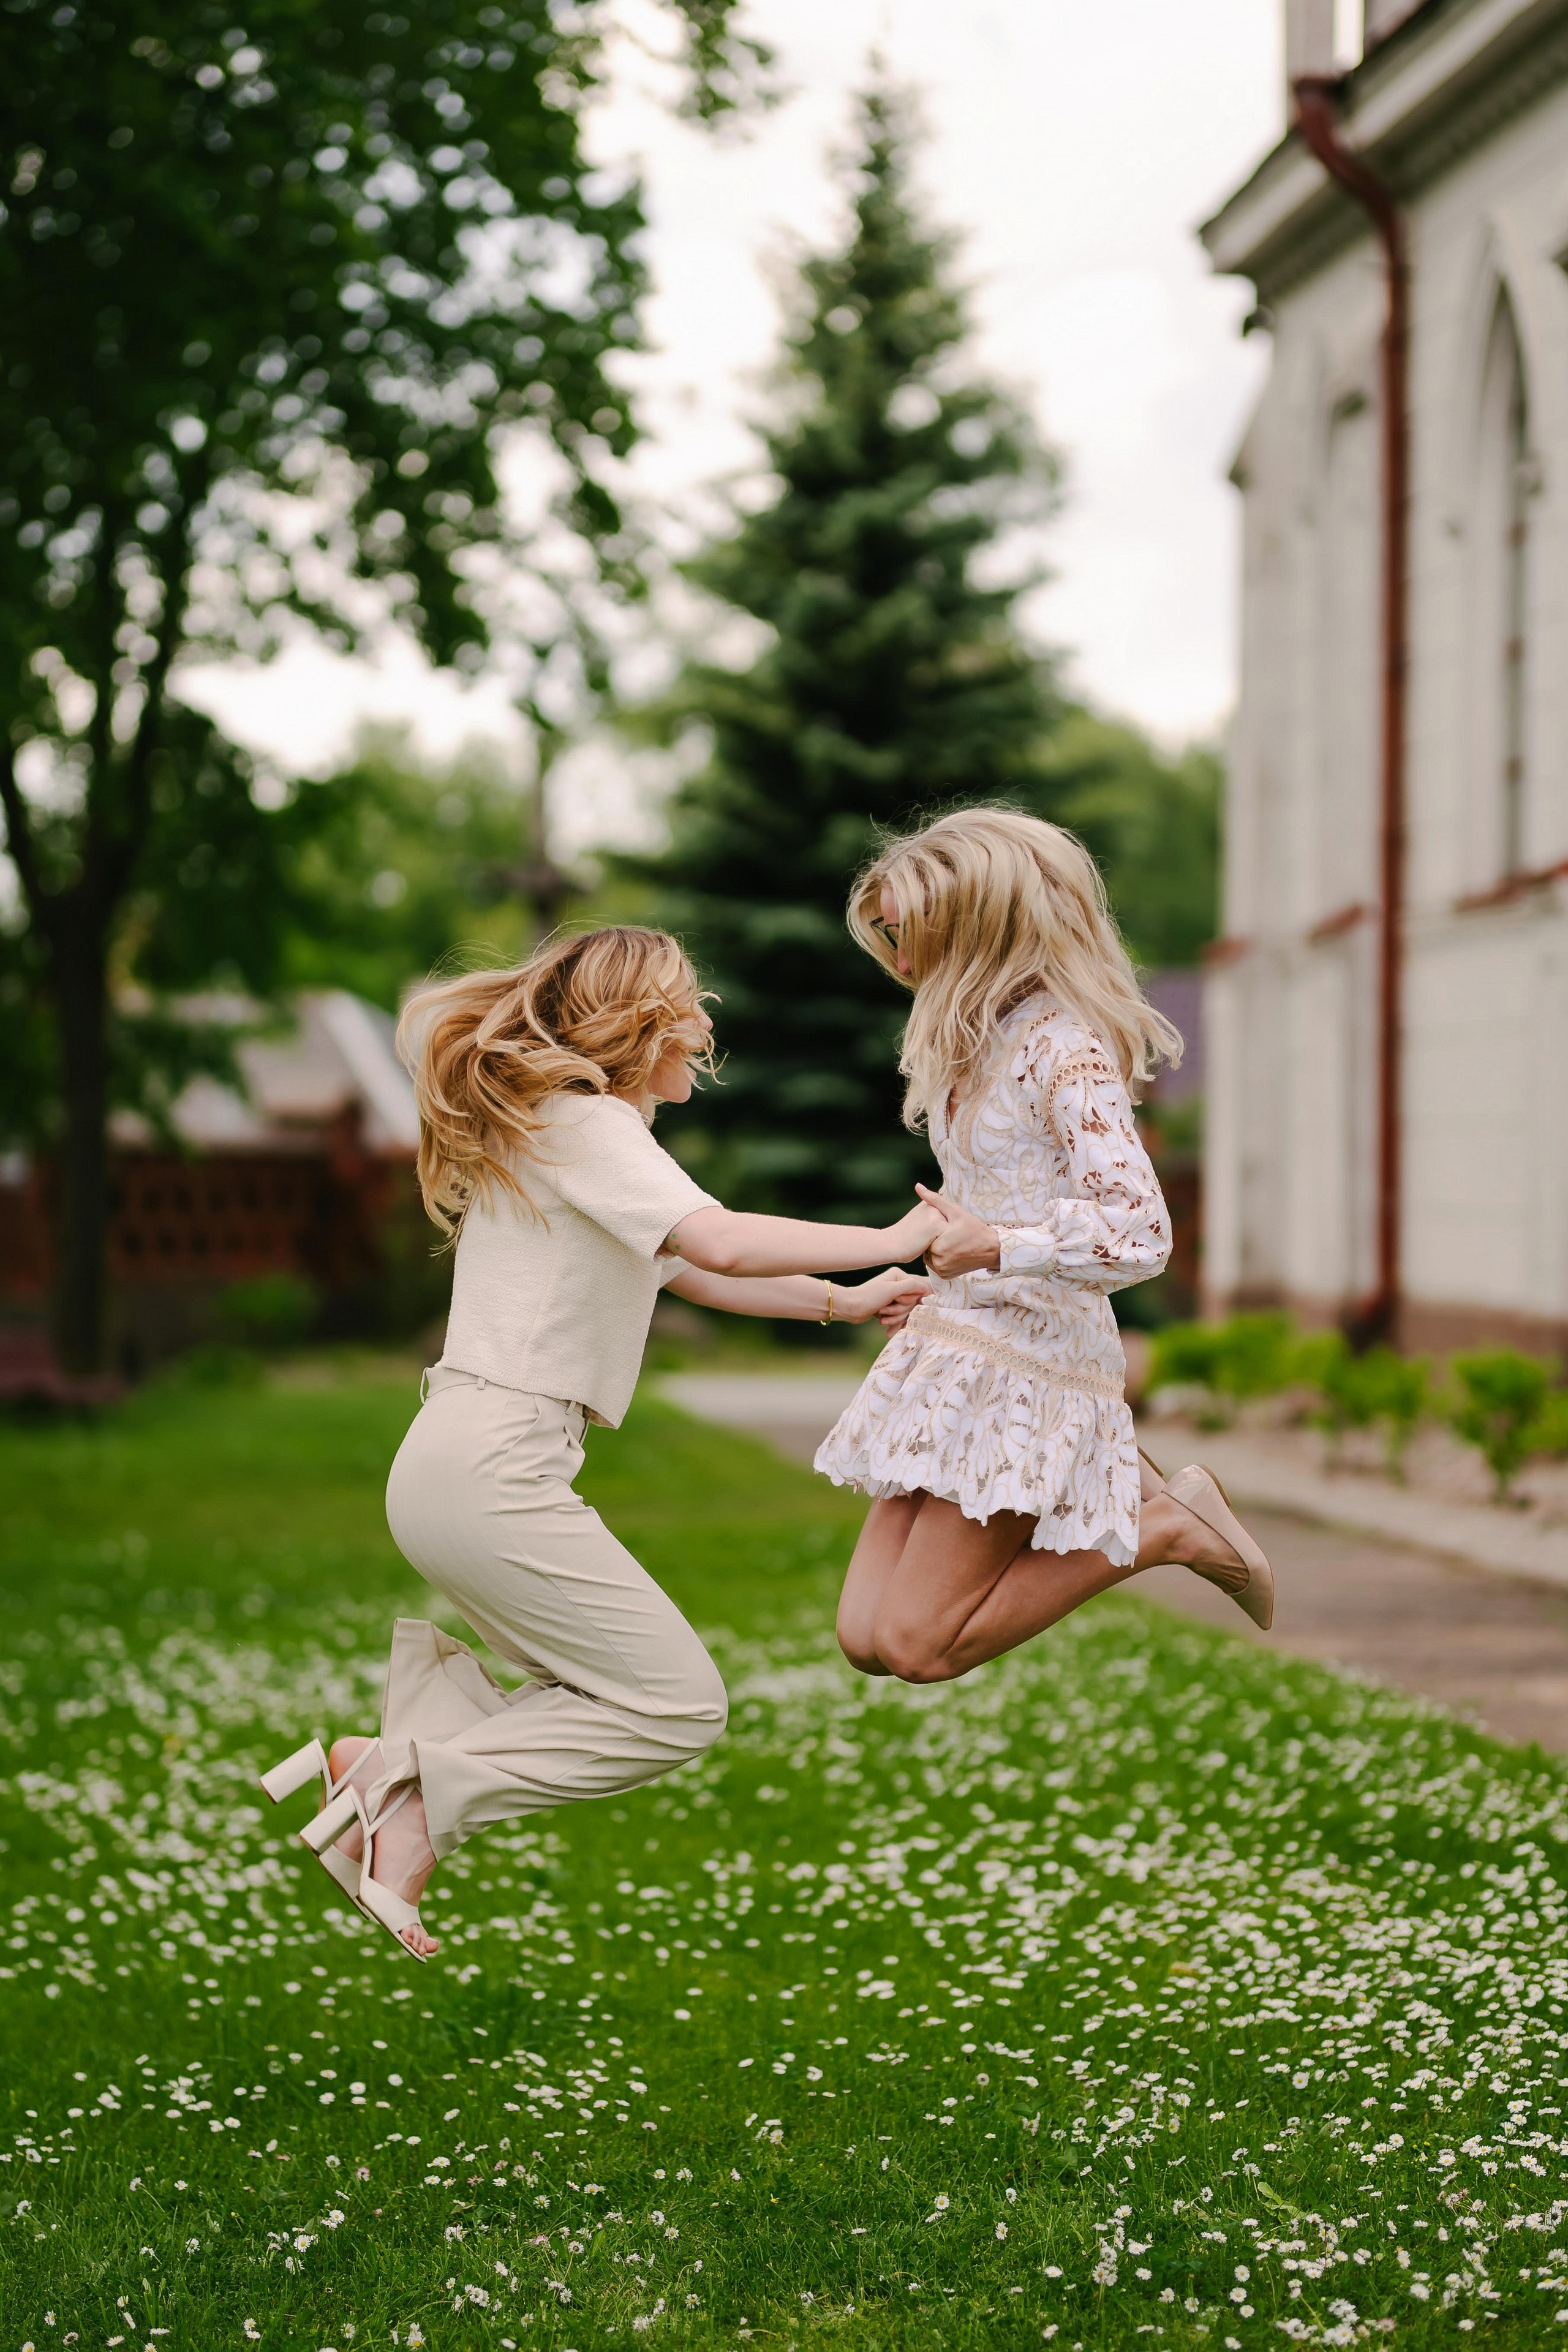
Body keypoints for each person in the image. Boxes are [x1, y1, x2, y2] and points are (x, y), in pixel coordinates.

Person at [261, 926, 936, 1959]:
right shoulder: (587, 1122)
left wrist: (847, 1304)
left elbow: (695, 1274)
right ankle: (412, 1791)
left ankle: (403, 1769)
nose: (706, 1025)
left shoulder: (555, 1130)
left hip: (453, 1463)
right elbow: (718, 1239)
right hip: (495, 1467)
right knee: (675, 1706)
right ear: (640, 1024)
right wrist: (894, 1237)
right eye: (689, 1005)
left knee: (601, 1693)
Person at [819, 806, 1273, 1686]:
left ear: (976, 928)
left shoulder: (1067, 1050)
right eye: (887, 938)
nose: (899, 962)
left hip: (1029, 1369)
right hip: (955, 1349)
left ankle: (1169, 1526)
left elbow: (1141, 1231)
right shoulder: (971, 1048)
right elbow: (990, 1198)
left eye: (909, 935)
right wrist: (938, 1277)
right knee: (865, 1637)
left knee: (916, 1645)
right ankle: (1155, 1496)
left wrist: (995, 1250)